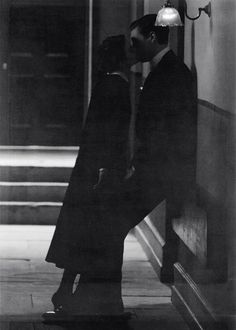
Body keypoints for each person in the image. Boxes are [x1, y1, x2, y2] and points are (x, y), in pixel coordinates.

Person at [44, 35, 132, 318]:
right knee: (89, 234)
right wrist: (107, 168)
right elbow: (109, 132)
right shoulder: (116, 86)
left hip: (92, 169)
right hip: (100, 172)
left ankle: (67, 290)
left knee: (84, 234)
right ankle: (71, 292)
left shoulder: (108, 83)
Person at [127, 14, 197, 233]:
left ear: (152, 37)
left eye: (136, 41)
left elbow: (168, 128)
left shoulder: (173, 72)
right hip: (153, 167)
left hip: (159, 170)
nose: (132, 48)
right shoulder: (165, 69)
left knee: (114, 221)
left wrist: (141, 163)